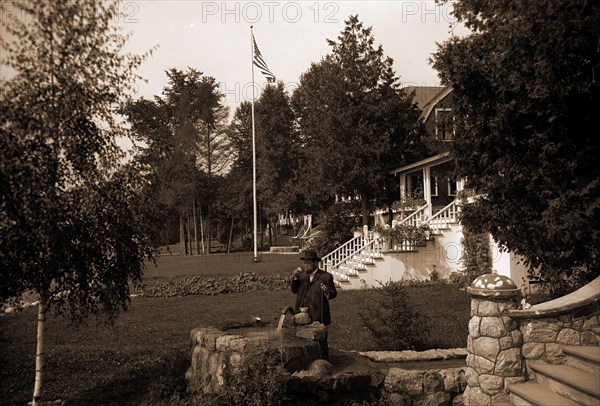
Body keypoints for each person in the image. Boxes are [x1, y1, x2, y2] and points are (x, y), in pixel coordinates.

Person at [291, 250, 337, 325]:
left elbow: (333, 293)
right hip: (301, 314)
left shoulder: (325, 276)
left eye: (308, 263)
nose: (305, 265)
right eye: (305, 263)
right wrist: (295, 278)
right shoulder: (303, 276)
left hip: (318, 316)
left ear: (315, 263)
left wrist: (326, 291)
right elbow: (294, 290)